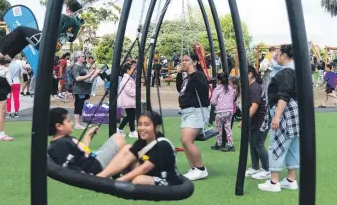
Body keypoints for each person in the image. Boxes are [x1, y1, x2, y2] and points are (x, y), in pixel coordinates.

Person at [258, 44, 300, 192]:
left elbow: (284, 94)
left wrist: (277, 116)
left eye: (277, 54)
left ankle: (274, 182)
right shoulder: (297, 71)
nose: (275, 56)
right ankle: (290, 180)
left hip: (285, 111)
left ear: (284, 56)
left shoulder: (286, 72)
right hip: (295, 112)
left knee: (277, 145)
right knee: (293, 146)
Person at [98, 111, 179, 186]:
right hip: (150, 173)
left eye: (146, 124)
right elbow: (124, 160)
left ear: (157, 127)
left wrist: (115, 183)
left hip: (165, 179)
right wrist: (101, 177)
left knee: (138, 180)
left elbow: (144, 169)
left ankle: (116, 179)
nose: (142, 128)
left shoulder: (162, 145)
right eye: (140, 124)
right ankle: (102, 175)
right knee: (127, 148)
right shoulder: (142, 142)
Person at [0, 0, 84, 61]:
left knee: (20, 29)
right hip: (56, 47)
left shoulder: (64, 17)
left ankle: (1, 51)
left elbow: (53, 29)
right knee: (25, 37)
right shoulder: (77, 23)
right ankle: (9, 56)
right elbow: (71, 39)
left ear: (68, 7)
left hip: (46, 41)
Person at [48, 107, 126, 174]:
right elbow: (72, 167)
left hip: (92, 163)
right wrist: (88, 179)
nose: (72, 123)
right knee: (119, 140)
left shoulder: (63, 141)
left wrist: (88, 135)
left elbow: (82, 154)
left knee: (127, 152)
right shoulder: (60, 144)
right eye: (68, 121)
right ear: (59, 126)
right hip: (94, 168)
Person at [176, 52, 210, 181]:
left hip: (196, 111)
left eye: (186, 60)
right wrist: (180, 74)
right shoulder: (187, 78)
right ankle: (193, 168)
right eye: (182, 60)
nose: (183, 62)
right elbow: (181, 89)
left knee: (187, 141)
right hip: (187, 112)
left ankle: (201, 169)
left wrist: (192, 72)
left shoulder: (199, 76)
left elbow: (202, 89)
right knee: (184, 142)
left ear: (194, 62)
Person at [243, 64, 269, 180]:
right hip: (255, 121)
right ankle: (255, 167)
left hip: (260, 120)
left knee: (259, 144)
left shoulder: (254, 88)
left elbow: (255, 106)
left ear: (250, 74)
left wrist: (245, 120)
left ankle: (267, 169)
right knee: (253, 144)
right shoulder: (252, 87)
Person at [71, 51, 100, 129]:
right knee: (78, 106)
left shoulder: (82, 66)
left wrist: (94, 74)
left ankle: (80, 123)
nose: (84, 57)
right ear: (78, 58)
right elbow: (77, 78)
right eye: (83, 56)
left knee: (80, 106)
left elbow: (88, 78)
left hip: (84, 89)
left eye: (84, 56)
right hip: (79, 90)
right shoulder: (75, 66)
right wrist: (90, 74)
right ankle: (77, 124)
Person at [210, 72, 236, 151]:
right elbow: (234, 98)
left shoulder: (217, 89)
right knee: (228, 128)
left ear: (219, 80)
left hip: (221, 111)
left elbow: (213, 101)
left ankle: (219, 143)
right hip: (230, 111)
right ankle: (230, 144)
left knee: (218, 128)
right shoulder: (231, 88)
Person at [117, 63, 138, 138]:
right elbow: (128, 90)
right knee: (130, 116)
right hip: (128, 100)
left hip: (129, 100)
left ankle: (121, 129)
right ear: (128, 70)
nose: (134, 70)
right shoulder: (126, 79)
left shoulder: (128, 78)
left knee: (130, 116)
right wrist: (136, 93)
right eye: (132, 69)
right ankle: (131, 131)